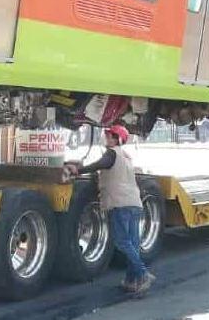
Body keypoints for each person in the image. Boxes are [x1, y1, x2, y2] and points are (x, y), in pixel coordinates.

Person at [65, 122, 155, 295]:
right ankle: (131, 280)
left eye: (110, 135)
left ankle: (142, 274)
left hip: (120, 204)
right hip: (134, 203)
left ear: (117, 138)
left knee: (122, 241)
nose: (106, 137)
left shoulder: (112, 153)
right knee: (133, 244)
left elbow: (99, 164)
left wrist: (79, 170)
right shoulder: (126, 156)